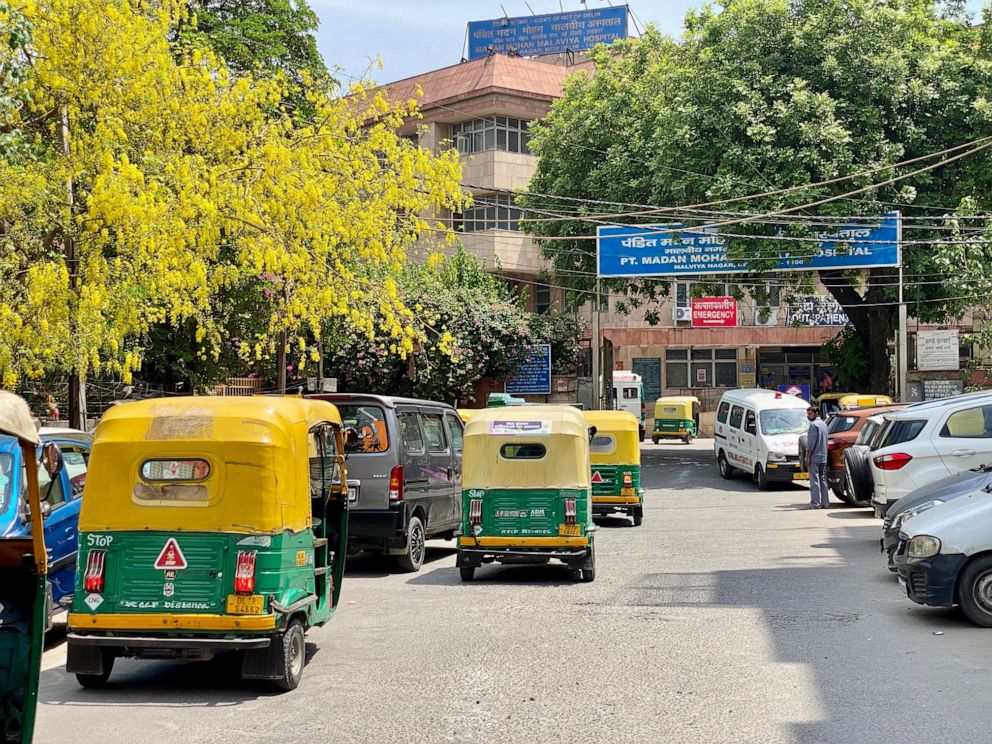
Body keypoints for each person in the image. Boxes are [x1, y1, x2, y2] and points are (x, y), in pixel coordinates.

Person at [804, 405, 830, 509]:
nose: (808, 416)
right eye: (808, 414)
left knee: (814, 480)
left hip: (814, 457)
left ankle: (815, 503)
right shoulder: (824, 424)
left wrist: (807, 458)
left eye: (810, 414)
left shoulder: (813, 425)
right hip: (823, 456)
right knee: (823, 480)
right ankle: (825, 503)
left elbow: (810, 444)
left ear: (816, 413)